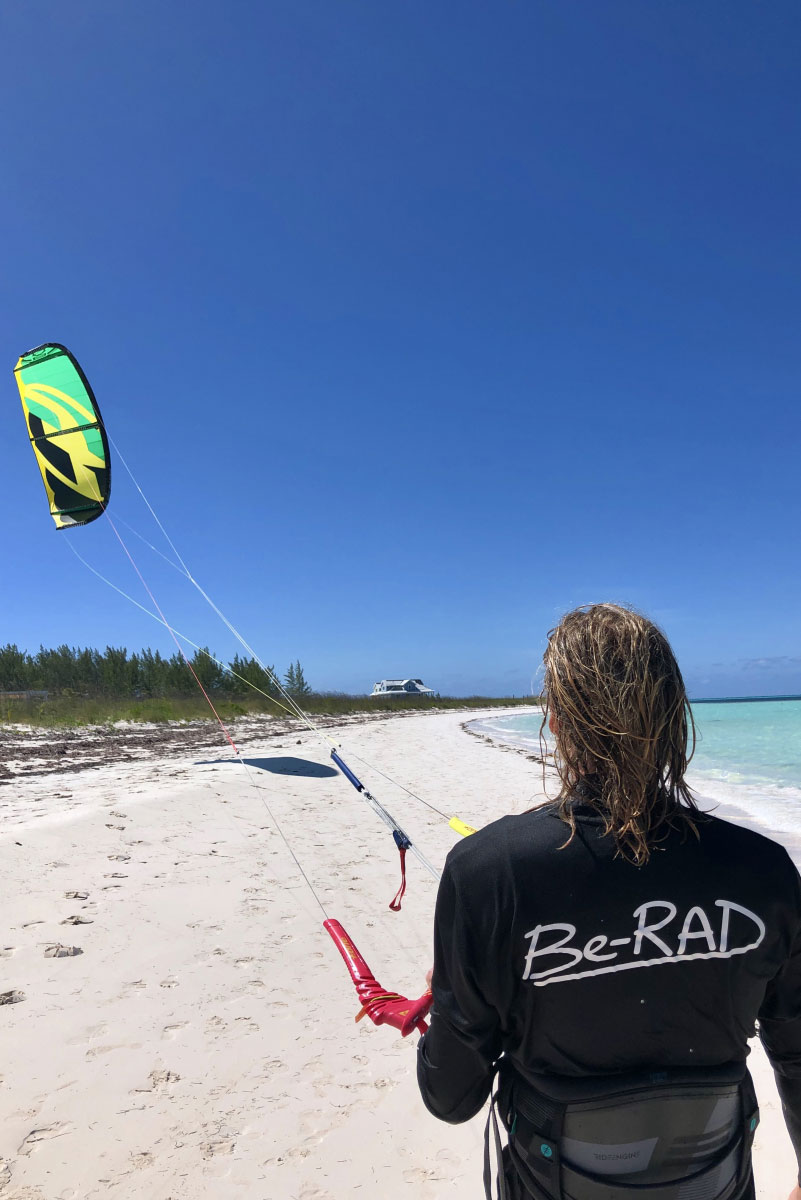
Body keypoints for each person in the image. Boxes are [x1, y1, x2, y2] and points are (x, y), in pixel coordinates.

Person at [417, 604, 801, 1200]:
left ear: (558, 722)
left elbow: (451, 1098)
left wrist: (452, 1006)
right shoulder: (765, 871)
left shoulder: (487, 874)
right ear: (675, 713)